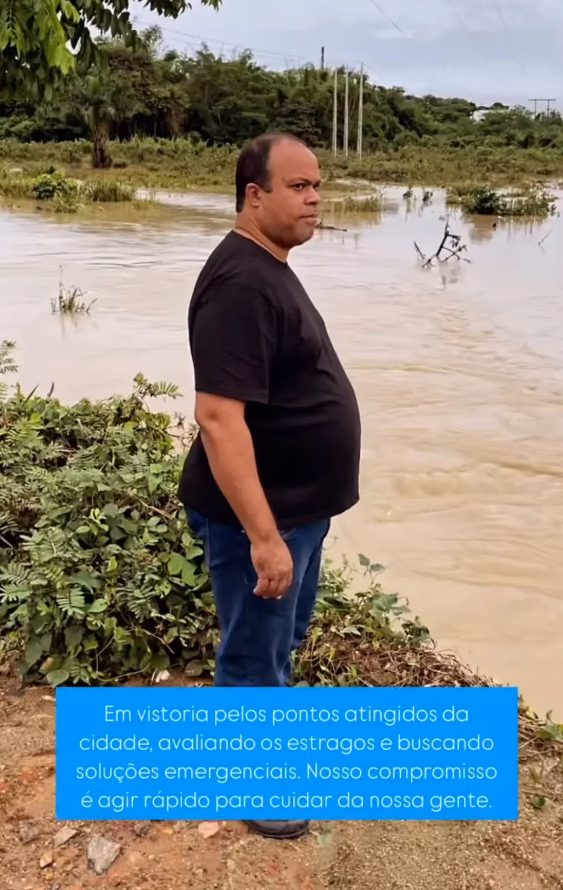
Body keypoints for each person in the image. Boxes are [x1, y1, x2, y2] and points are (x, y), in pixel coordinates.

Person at [178, 132, 362, 840]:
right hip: (260, 519)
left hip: (295, 512)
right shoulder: (240, 283)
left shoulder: (268, 265)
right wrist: (262, 536)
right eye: (297, 187)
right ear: (254, 195)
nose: (314, 198)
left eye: (317, 185)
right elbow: (220, 420)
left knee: (274, 644)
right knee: (254, 653)